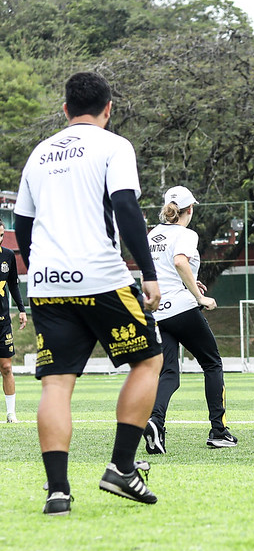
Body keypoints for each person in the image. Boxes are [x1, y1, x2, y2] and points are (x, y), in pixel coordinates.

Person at [14, 71, 164, 516]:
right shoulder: (114, 145)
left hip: (45, 282)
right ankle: (121, 467)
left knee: (57, 385)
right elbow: (125, 205)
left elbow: (22, 225)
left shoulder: (39, 154)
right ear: (109, 108)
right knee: (149, 360)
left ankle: (57, 491)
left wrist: (44, 265)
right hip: (100, 276)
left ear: (64, 110)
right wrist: (149, 272)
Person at [143, 186, 237, 454]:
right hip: (182, 309)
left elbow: (152, 272)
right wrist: (199, 297)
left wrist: (186, 284)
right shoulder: (187, 233)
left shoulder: (153, 235)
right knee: (212, 363)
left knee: (169, 372)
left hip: (159, 311)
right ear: (190, 209)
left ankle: (155, 422)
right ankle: (219, 431)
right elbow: (180, 261)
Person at [0, 219, 28, 423]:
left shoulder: (8, 256)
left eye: (1, 235)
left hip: (2, 321)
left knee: (7, 367)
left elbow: (13, 285)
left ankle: (11, 413)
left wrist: (21, 309)